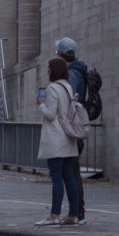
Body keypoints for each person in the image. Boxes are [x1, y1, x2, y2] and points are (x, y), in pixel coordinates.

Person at [35, 57, 80, 226]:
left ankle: (54, 215)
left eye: (48, 68)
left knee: (56, 177)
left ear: (53, 71)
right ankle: (74, 214)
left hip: (55, 138)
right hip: (68, 137)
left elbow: (50, 113)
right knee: (69, 176)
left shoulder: (52, 88)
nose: (47, 71)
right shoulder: (67, 87)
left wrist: (40, 104)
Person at [57, 37, 88, 225]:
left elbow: (71, 101)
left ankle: (76, 212)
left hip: (72, 130)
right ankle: (76, 211)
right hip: (75, 127)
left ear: (61, 54)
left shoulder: (73, 74)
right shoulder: (78, 70)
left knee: (71, 172)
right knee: (70, 171)